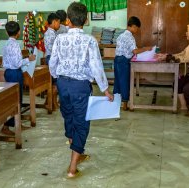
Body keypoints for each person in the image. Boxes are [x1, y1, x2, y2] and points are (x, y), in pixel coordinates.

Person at [49, 2, 114, 178]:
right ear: (85, 21)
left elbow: (52, 63)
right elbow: (96, 67)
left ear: (67, 20)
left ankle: (77, 153)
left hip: (63, 85)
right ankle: (72, 167)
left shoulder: (59, 39)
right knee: (82, 122)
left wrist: (57, 79)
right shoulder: (89, 41)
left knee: (69, 118)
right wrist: (106, 90)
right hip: (80, 87)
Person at [0, 21, 36, 135]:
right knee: (16, 100)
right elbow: (17, 63)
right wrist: (28, 59)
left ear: (6, 32)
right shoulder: (15, 45)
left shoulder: (6, 44)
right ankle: (7, 126)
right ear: (19, 32)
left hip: (8, 72)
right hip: (15, 73)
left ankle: (17, 124)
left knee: (14, 100)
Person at [113, 16, 152, 110]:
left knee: (118, 82)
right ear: (134, 26)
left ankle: (116, 103)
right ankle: (125, 105)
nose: (137, 31)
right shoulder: (130, 37)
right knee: (125, 82)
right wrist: (146, 49)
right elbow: (135, 51)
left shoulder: (121, 35)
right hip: (124, 62)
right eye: (137, 28)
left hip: (117, 60)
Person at [44, 13, 61, 110]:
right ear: (54, 21)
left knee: (54, 82)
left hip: (52, 57)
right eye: (58, 22)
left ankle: (51, 102)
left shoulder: (52, 32)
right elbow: (53, 49)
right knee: (54, 82)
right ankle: (52, 103)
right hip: (52, 58)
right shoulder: (50, 33)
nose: (59, 25)